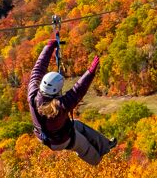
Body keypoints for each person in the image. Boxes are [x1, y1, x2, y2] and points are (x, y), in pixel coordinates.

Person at [27, 37, 115, 165]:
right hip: (59, 141)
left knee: (78, 125)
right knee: (82, 144)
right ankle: (101, 162)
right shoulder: (59, 108)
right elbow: (77, 91)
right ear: (57, 91)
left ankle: (106, 145)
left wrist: (49, 47)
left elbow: (38, 69)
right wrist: (90, 72)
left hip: (44, 135)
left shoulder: (33, 94)